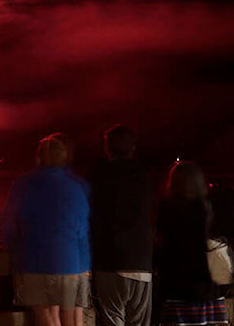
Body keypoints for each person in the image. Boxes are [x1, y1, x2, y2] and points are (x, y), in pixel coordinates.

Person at [1, 133, 91, 326]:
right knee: (72, 320)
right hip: (70, 263)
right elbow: (83, 229)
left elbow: (10, 222)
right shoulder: (78, 186)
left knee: (46, 318)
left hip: (35, 261)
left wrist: (11, 248)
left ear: (38, 156)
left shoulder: (24, 184)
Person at [89, 125, 154, 326]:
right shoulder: (144, 176)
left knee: (111, 319)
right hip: (140, 262)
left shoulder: (97, 176)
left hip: (108, 261)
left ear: (107, 147)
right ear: (133, 148)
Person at [154, 161, 228, 326]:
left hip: (177, 286)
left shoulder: (167, 208)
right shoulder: (208, 207)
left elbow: (162, 245)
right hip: (207, 285)